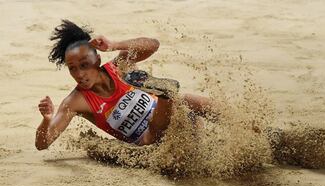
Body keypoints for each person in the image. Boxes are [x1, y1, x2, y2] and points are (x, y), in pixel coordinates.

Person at [36, 20, 213, 149]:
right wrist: (46, 120)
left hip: (178, 121)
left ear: (97, 60)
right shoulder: (75, 102)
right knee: (155, 125)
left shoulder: (119, 67)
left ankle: (239, 128)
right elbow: (43, 144)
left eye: (84, 65)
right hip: (152, 142)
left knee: (186, 101)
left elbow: (153, 45)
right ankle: (164, 94)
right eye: (72, 69)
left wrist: (114, 45)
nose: (79, 74)